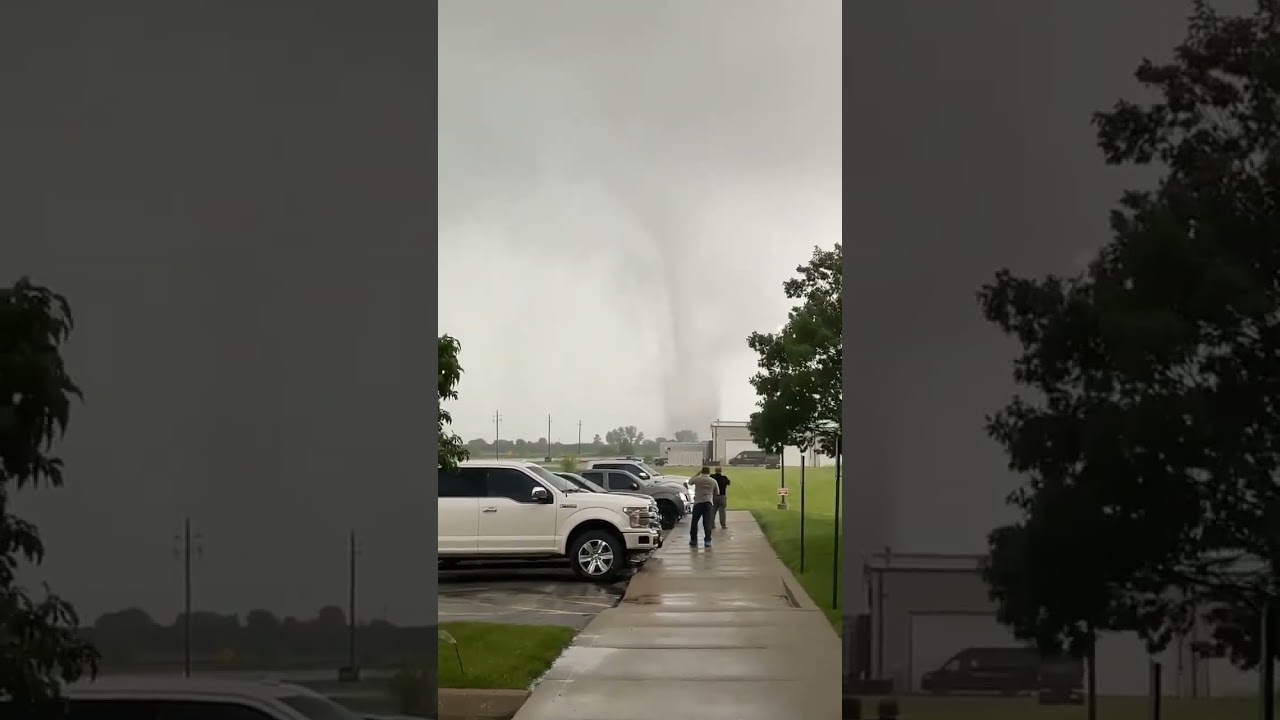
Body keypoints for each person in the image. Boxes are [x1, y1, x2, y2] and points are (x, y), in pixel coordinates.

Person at [687, 466, 719, 548]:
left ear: (702, 471)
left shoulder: (697, 479)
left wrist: (697, 474)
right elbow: (717, 492)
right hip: (708, 502)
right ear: (709, 472)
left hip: (698, 502)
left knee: (695, 522)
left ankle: (693, 540)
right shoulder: (713, 481)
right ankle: (707, 540)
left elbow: (690, 482)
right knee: (707, 522)